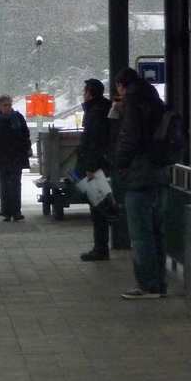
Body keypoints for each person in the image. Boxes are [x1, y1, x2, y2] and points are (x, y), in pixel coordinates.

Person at [112, 67, 171, 299]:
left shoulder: (133, 103)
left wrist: (120, 164)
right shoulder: (155, 101)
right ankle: (159, 283)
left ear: (121, 86)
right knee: (157, 233)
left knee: (141, 235)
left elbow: (129, 138)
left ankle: (147, 285)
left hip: (139, 177)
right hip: (160, 176)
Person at [75, 78, 113, 261]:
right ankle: (100, 246)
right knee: (101, 206)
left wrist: (91, 167)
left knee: (98, 208)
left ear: (89, 92)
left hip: (96, 168)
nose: (83, 94)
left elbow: (94, 141)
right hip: (101, 164)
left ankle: (100, 248)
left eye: (84, 91)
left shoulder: (96, 112)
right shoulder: (104, 108)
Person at [0, 95, 32, 222]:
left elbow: (26, 134)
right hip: (1, 158)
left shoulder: (18, 118)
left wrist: (26, 147)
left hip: (16, 157)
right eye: (4, 105)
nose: (7, 107)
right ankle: (6, 211)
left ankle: (16, 211)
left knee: (16, 185)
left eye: (9, 105)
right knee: (4, 185)